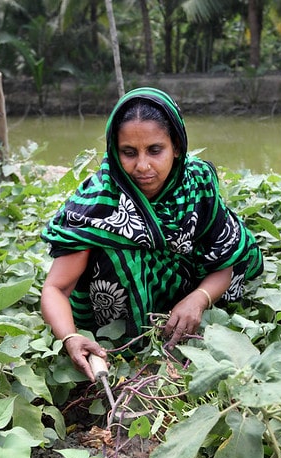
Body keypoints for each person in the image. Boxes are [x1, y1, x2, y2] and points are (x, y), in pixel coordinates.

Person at [40, 87, 263, 381]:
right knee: (116, 252)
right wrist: (69, 337)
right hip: (113, 307)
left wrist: (199, 298)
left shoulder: (197, 185)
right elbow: (55, 289)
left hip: (186, 282)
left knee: (231, 253)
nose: (142, 166)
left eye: (155, 150)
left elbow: (224, 263)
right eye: (129, 153)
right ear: (114, 151)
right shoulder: (99, 201)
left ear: (177, 147)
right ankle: (130, 338)